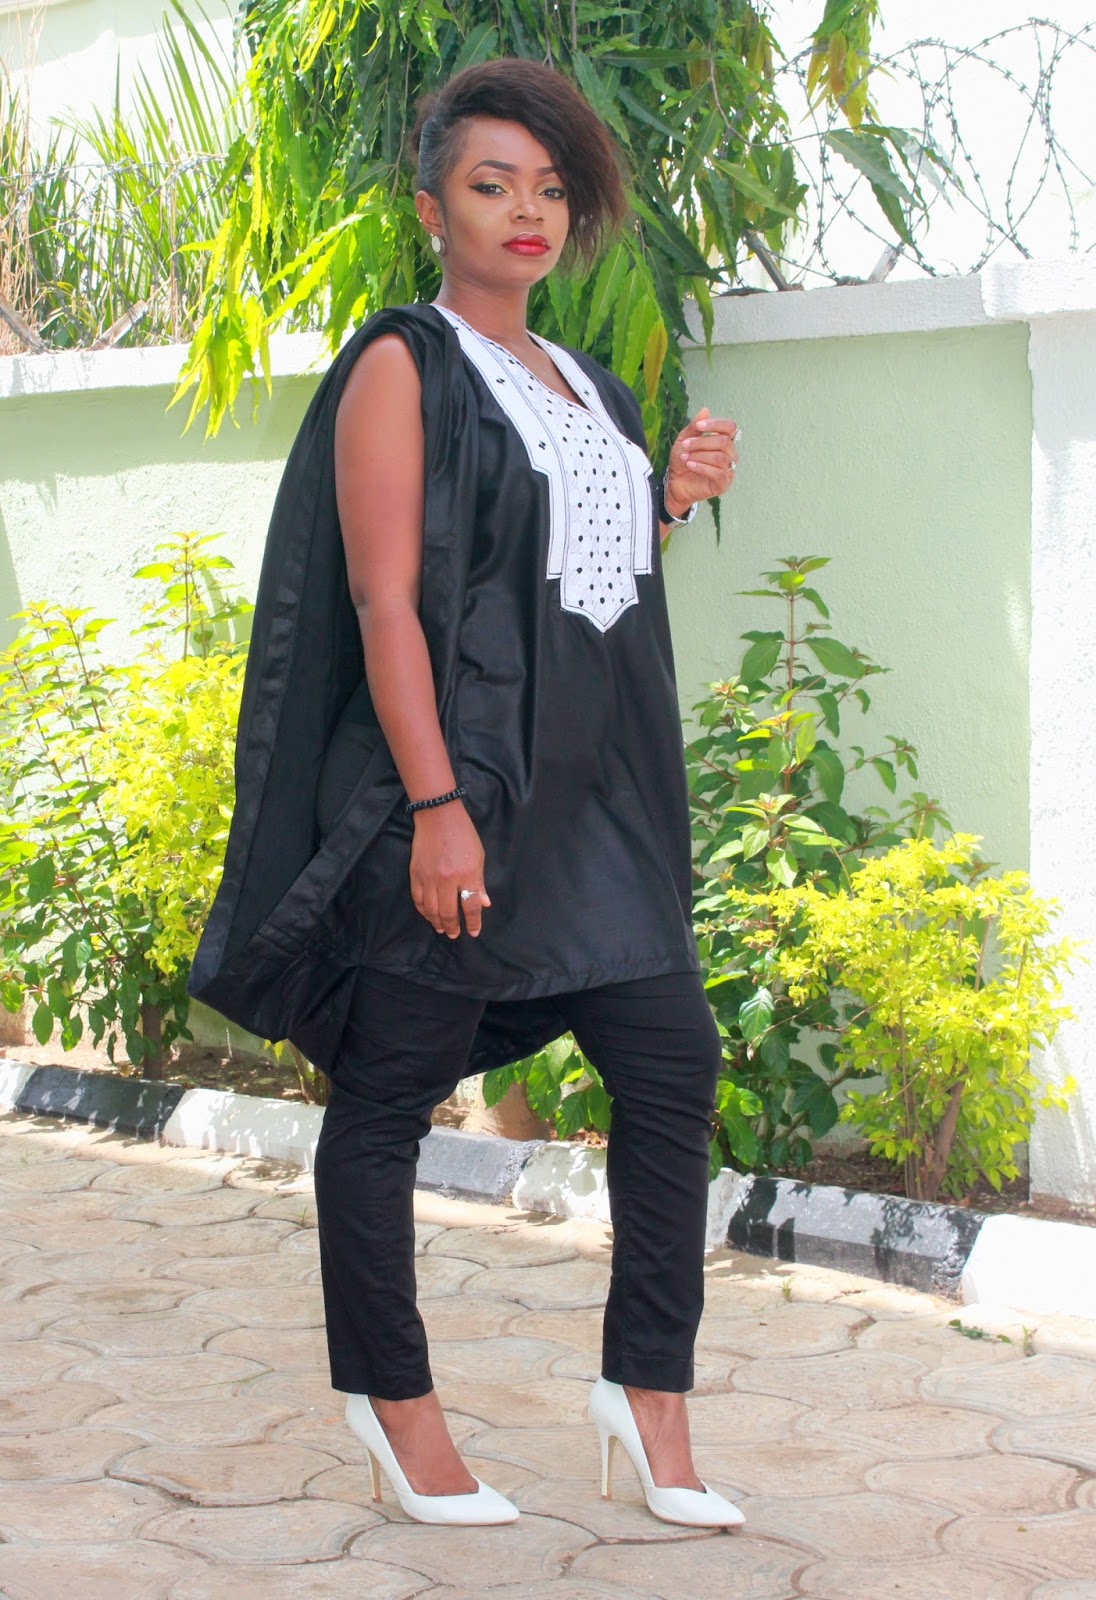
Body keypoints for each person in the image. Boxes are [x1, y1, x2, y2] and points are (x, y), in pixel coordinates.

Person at [188, 55, 740, 1529]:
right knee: (389, 1100)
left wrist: (669, 496)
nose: (527, 211)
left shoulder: (591, 385)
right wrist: (436, 809)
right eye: (493, 185)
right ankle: (398, 1409)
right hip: (468, 799)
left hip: (598, 812)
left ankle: (648, 1399)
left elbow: (575, 588)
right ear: (433, 209)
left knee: (672, 1069)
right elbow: (386, 603)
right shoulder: (403, 363)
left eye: (550, 188)